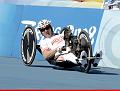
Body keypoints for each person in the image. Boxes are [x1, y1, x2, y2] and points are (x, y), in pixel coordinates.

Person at [37, 19, 102, 68]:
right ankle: (81, 61)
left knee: (76, 41)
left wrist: (68, 33)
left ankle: (93, 59)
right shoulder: (44, 42)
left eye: (47, 28)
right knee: (68, 54)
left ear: (50, 27)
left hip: (70, 46)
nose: (46, 31)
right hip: (60, 53)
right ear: (41, 32)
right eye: (43, 30)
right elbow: (46, 56)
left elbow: (67, 35)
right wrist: (57, 49)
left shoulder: (59, 35)